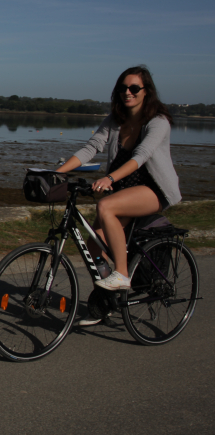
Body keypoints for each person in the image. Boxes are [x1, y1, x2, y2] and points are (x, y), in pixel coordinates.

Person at [56, 65, 181, 314]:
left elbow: (141, 155)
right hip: (124, 189)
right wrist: (55, 173)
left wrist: (109, 177)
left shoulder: (158, 122)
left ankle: (122, 274)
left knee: (105, 205)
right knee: (93, 246)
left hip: (153, 190)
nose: (128, 92)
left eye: (134, 88)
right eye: (123, 88)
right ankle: (107, 300)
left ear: (146, 92)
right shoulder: (115, 121)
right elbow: (91, 148)